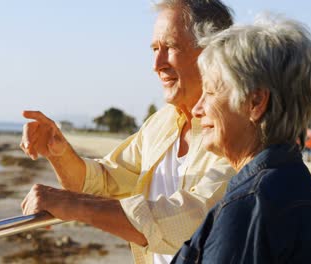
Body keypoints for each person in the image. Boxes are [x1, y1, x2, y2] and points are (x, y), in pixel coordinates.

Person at [20, 1, 235, 263]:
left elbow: (195, 218)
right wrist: (58, 152)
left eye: (171, 47)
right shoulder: (160, 123)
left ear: (212, 53)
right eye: (155, 49)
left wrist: (73, 205)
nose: (157, 63)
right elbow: (102, 182)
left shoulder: (238, 127)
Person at [171, 14, 311, 263]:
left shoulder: (250, 207)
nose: (197, 109)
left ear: (255, 102)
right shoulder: (303, 193)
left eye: (210, 91)